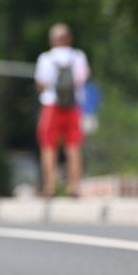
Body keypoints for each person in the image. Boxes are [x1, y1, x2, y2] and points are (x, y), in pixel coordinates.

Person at [34, 23, 90, 197]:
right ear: (69, 39)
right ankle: (74, 186)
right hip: (73, 106)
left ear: (52, 40)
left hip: (51, 106)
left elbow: (41, 84)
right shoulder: (78, 56)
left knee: (48, 146)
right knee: (73, 146)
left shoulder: (46, 58)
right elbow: (83, 78)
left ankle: (50, 186)